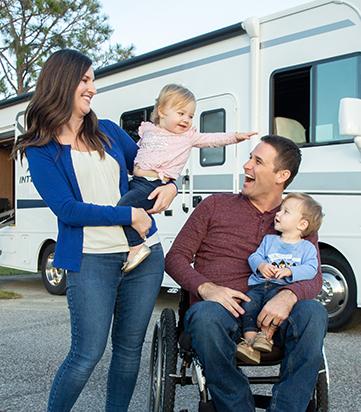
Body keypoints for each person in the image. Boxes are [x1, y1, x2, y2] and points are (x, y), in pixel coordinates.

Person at [12, 49, 177, 412]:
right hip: (89, 259)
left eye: (92, 80)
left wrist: (171, 185)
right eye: (85, 80)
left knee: (129, 351)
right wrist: (128, 216)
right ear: (63, 83)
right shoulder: (40, 149)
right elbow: (68, 210)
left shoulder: (109, 132)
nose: (93, 89)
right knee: (86, 353)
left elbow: (150, 168)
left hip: (144, 254)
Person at [165, 135, 328, 412]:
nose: (246, 166)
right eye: (250, 158)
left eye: (257, 161)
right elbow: (175, 258)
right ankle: (237, 406)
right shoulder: (214, 206)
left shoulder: (296, 218)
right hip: (218, 313)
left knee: (314, 313)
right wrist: (206, 288)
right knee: (205, 317)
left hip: (273, 322)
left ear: (281, 175)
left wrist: (288, 296)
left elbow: (313, 276)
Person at [118, 83, 255, 273]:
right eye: (181, 113)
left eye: (190, 116)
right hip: (137, 181)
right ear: (162, 111)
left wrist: (236, 137)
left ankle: (136, 246)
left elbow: (213, 139)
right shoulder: (148, 130)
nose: (186, 120)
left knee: (123, 208)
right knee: (121, 205)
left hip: (154, 184)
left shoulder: (187, 137)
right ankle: (137, 233)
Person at [236, 192, 324, 364]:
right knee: (249, 307)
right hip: (259, 286)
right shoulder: (269, 240)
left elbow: (311, 269)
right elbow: (254, 257)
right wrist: (261, 265)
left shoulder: (306, 248)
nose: (277, 214)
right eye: (280, 210)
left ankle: (266, 338)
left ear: (302, 224)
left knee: (273, 312)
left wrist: (291, 271)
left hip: (279, 290)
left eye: (285, 212)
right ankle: (249, 343)